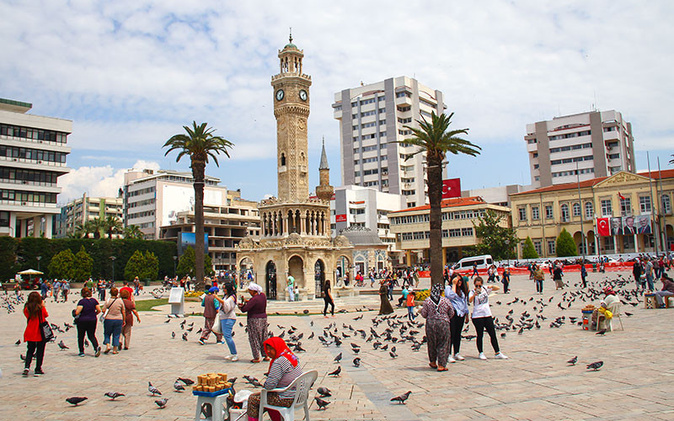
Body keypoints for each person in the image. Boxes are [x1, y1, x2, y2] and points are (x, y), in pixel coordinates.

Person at [246, 337, 303, 421]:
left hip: (287, 398)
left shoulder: (278, 362)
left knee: (253, 400)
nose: (268, 352)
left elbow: (269, 386)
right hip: (300, 394)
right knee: (265, 397)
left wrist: (265, 386)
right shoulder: (290, 355)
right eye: (267, 349)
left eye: (271, 349)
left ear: (277, 348)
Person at [469, 277, 508, 360]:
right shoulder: (472, 291)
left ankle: (497, 352)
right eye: (477, 285)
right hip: (477, 316)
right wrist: (474, 295)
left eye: (479, 285)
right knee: (480, 335)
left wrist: (491, 286)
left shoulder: (485, 289)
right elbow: (469, 301)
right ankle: (481, 352)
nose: (478, 287)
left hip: (487, 314)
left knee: (492, 334)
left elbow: (498, 288)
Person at [420, 284, 455, 371]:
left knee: (431, 342)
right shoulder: (445, 301)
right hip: (443, 323)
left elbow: (424, 314)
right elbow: (452, 312)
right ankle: (441, 364)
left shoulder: (427, 301)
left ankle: (433, 361)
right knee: (443, 343)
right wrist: (445, 317)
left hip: (431, 324)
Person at [239, 282, 268, 363]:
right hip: (263, 319)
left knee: (254, 338)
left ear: (254, 291)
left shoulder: (254, 299)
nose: (249, 292)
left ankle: (256, 357)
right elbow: (255, 303)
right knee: (263, 337)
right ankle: (266, 355)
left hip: (254, 320)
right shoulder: (262, 296)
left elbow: (245, 309)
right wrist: (248, 301)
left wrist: (241, 306)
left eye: (250, 291)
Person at [23, 291, 48, 376]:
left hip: (30, 331)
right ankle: (38, 368)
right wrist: (43, 305)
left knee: (30, 350)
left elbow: (27, 315)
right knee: (40, 351)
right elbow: (46, 315)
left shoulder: (27, 308)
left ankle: (27, 367)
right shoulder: (40, 308)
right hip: (40, 331)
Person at [445, 275, 469, 362]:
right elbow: (450, 296)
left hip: (461, 314)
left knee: (458, 334)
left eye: (460, 281)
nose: (459, 282)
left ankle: (457, 352)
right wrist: (454, 285)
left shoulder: (462, 291)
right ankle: (448, 354)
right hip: (453, 313)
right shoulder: (449, 288)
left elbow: (465, 302)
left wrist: (467, 314)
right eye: (457, 280)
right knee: (451, 334)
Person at [214, 283, 238, 361]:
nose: (223, 290)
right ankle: (232, 353)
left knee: (228, 336)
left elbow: (227, 305)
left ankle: (234, 353)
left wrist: (217, 298)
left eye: (225, 288)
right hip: (224, 318)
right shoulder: (226, 296)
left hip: (229, 318)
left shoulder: (232, 297)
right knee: (226, 336)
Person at [74, 287, 101, 357]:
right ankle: (96, 347)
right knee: (91, 335)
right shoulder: (94, 301)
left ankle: (81, 351)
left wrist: (74, 312)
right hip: (92, 320)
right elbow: (99, 310)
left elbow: (77, 312)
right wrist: (94, 314)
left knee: (81, 336)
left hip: (82, 320)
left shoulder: (82, 301)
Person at [101, 287, 125, 354]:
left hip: (108, 319)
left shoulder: (108, 300)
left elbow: (103, 310)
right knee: (116, 334)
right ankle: (115, 349)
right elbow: (123, 311)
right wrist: (124, 320)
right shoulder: (120, 301)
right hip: (118, 319)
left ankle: (108, 345)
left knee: (107, 333)